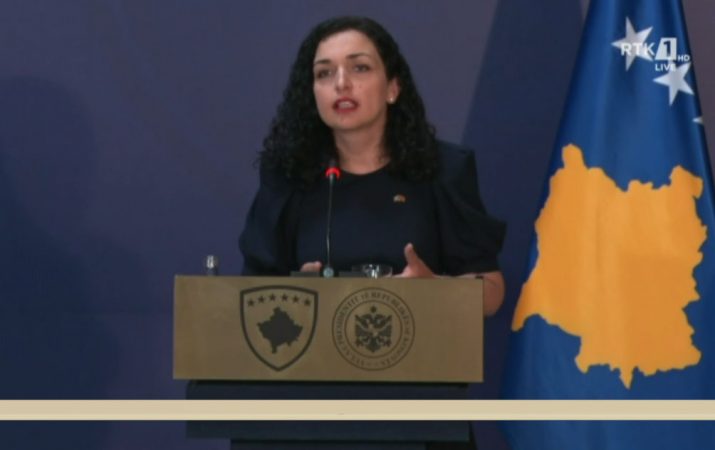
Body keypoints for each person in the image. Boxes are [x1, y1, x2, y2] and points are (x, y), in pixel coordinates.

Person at [239, 16, 506, 316]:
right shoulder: (287, 177)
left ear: (392, 87)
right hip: (316, 346)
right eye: (324, 73)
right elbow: (251, 291)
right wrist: (294, 293)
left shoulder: (443, 168)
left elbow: (492, 291)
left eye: (360, 68)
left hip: (422, 345)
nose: (341, 83)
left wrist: (435, 289)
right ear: (313, 94)